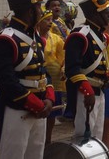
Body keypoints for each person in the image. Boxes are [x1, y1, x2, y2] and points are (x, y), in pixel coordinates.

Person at [0, 0, 54, 158]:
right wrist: (34, 103)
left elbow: (43, 71)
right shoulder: (6, 40)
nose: (41, 11)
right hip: (18, 109)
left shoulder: (34, 36)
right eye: (38, 7)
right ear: (29, 10)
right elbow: (6, 80)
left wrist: (49, 97)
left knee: (36, 154)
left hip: (40, 107)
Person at [65, 0, 109, 141]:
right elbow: (72, 68)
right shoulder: (80, 35)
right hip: (85, 92)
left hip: (101, 90)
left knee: (97, 134)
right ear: (95, 15)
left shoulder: (100, 36)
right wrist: (87, 91)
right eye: (105, 13)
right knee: (83, 134)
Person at [36, 10, 63, 146]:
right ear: (39, 22)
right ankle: (37, 139)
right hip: (38, 79)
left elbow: (63, 56)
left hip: (54, 79)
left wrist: (63, 68)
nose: (50, 22)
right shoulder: (33, 38)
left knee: (52, 111)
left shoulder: (56, 39)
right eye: (47, 20)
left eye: (51, 19)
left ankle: (47, 139)